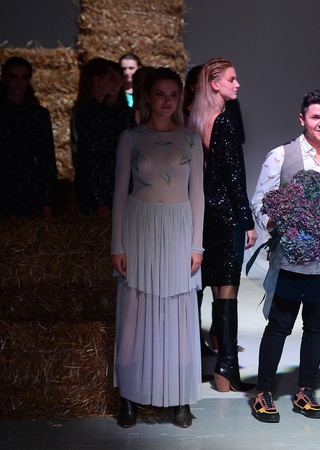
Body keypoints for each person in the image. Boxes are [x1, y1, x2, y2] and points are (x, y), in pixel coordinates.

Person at [250, 90, 320, 423]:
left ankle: (305, 391)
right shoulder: (281, 156)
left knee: (317, 325)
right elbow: (260, 201)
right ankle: (263, 392)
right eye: (316, 117)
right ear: (303, 119)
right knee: (280, 324)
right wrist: (281, 228)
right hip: (291, 259)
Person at [111, 67, 204, 428]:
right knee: (135, 310)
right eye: (161, 94)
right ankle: (130, 398)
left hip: (179, 227)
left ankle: (180, 398)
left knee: (178, 310)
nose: (167, 101)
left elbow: (197, 194)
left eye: (173, 95)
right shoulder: (131, 137)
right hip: (140, 227)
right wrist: (117, 244)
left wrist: (197, 245)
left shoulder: (191, 138)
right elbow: (120, 192)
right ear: (148, 96)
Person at [190, 57, 257, 392]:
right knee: (227, 287)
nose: (237, 84)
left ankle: (209, 365)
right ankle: (226, 367)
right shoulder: (225, 122)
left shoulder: (196, 120)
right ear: (215, 84)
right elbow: (234, 178)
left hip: (203, 214)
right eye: (232, 79)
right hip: (226, 214)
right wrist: (247, 220)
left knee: (209, 285)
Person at [72, 57, 134, 216]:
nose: (117, 83)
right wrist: (99, 199)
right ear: (97, 80)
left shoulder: (96, 109)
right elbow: (91, 156)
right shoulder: (91, 112)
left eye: (118, 78)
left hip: (105, 185)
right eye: (111, 78)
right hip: (100, 188)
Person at [0, 56, 58, 218]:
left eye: (23, 77)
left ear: (29, 80)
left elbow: (47, 158)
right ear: (4, 78)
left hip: (29, 186)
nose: (18, 82)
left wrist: (47, 200)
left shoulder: (38, 115)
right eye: (14, 77)